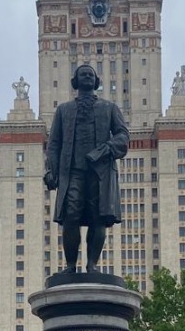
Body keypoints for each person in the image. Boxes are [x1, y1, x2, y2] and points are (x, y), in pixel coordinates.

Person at [43, 62, 129, 273]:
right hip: (72, 172)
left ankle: (92, 265)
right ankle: (71, 266)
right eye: (83, 74)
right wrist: (51, 171)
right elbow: (54, 144)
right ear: (75, 81)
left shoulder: (109, 108)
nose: (88, 77)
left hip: (99, 173)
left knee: (98, 217)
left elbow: (123, 136)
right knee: (70, 215)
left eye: (91, 75)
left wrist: (106, 149)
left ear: (97, 81)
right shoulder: (64, 110)